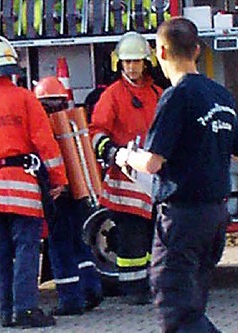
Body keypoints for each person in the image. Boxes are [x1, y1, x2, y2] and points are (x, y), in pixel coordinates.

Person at [116, 17, 238, 332]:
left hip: (182, 217)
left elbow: (153, 163)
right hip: (215, 215)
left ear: (160, 51)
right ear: (198, 50)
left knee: (176, 308)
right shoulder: (221, 95)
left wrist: (124, 156)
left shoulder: (176, 97)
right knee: (193, 300)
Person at [0, 36, 67, 329]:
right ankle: (26, 310)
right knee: (26, 249)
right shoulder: (25, 99)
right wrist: (58, 179)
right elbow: (45, 143)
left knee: (0, 252)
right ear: (11, 66)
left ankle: (6, 312)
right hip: (22, 187)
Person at [89, 31, 162, 305]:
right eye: (126, 62)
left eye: (136, 61)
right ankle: (133, 290)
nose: (131, 67)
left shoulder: (158, 94)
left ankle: (154, 285)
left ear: (146, 63)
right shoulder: (112, 95)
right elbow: (96, 130)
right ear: (118, 63)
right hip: (126, 178)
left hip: (154, 176)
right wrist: (110, 151)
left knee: (156, 236)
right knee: (132, 237)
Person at [33, 76, 104, 316]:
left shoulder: (43, 126)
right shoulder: (71, 123)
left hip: (57, 192)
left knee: (60, 244)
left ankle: (70, 300)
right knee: (78, 242)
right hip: (77, 190)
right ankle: (91, 288)